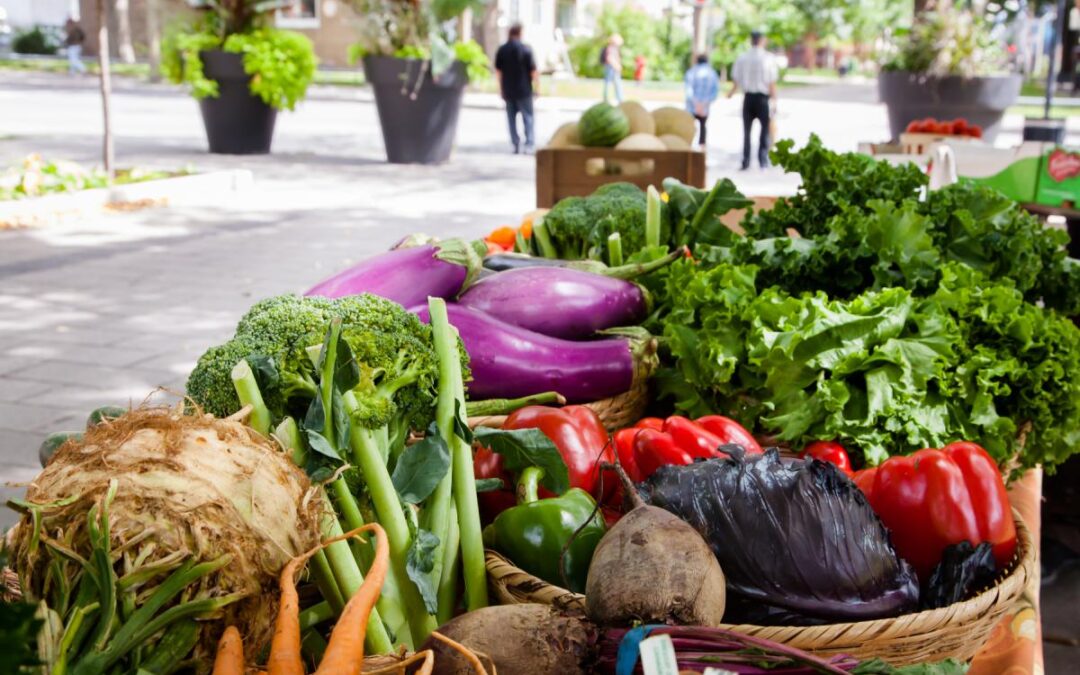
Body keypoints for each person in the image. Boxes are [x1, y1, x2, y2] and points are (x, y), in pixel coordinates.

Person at [729, 30, 778, 170]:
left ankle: (746, 161)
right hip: (762, 99)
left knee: (747, 131)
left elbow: (736, 80)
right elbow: (771, 83)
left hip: (748, 98)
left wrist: (731, 93)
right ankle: (763, 161)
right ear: (762, 40)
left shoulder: (743, 57)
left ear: (751, 40)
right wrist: (775, 101)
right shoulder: (768, 58)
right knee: (764, 131)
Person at [495, 24, 539, 154]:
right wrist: (537, 87)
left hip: (508, 89)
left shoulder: (502, 50)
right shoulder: (526, 49)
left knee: (511, 119)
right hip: (524, 89)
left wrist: (501, 88)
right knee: (528, 117)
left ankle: (515, 143)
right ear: (520, 33)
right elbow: (533, 71)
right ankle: (529, 144)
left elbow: (498, 72)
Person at [684, 54, 719, 149]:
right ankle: (702, 149)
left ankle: (688, 147)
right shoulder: (712, 73)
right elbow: (715, 93)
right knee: (703, 127)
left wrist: (696, 103)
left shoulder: (691, 72)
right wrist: (703, 104)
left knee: (689, 127)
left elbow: (688, 91)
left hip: (692, 106)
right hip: (704, 107)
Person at [601, 34, 624, 103]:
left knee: (614, 83)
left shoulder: (612, 48)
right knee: (611, 83)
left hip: (612, 67)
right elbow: (610, 58)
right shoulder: (611, 48)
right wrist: (617, 66)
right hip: (611, 68)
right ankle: (612, 99)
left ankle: (618, 98)